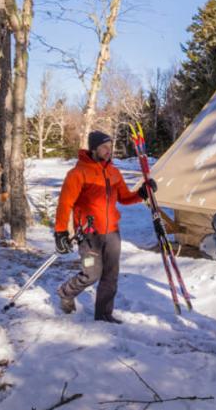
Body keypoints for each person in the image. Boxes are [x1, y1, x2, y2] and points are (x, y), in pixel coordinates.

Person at [54, 130, 155, 323]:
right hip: (89, 235)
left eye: (110, 147)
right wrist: (60, 232)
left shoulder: (113, 172)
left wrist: (141, 193)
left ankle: (104, 314)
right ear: (94, 149)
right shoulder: (78, 173)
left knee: (110, 275)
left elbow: (125, 198)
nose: (109, 151)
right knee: (91, 274)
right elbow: (65, 203)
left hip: (112, 233)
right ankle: (66, 292)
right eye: (104, 147)